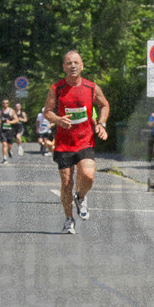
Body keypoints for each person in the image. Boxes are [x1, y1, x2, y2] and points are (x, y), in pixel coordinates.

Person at [43, 50, 110, 234]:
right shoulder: (56, 88)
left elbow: (104, 105)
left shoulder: (91, 87)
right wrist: (57, 120)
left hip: (85, 140)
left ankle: (80, 196)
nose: (72, 66)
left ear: (82, 66)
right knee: (66, 183)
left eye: (76, 62)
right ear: (64, 67)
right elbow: (47, 112)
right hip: (64, 143)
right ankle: (68, 218)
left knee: (88, 176)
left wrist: (102, 124)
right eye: (68, 63)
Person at [0, 99, 18, 163]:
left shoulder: (11, 111)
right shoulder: (0, 112)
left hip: (10, 130)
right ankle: (4, 158)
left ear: (8, 104)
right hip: (3, 130)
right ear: (2, 104)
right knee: (4, 144)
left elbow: (16, 120)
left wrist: (10, 122)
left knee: (9, 145)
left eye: (6, 103)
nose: (5, 104)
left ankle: (9, 150)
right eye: (4, 103)